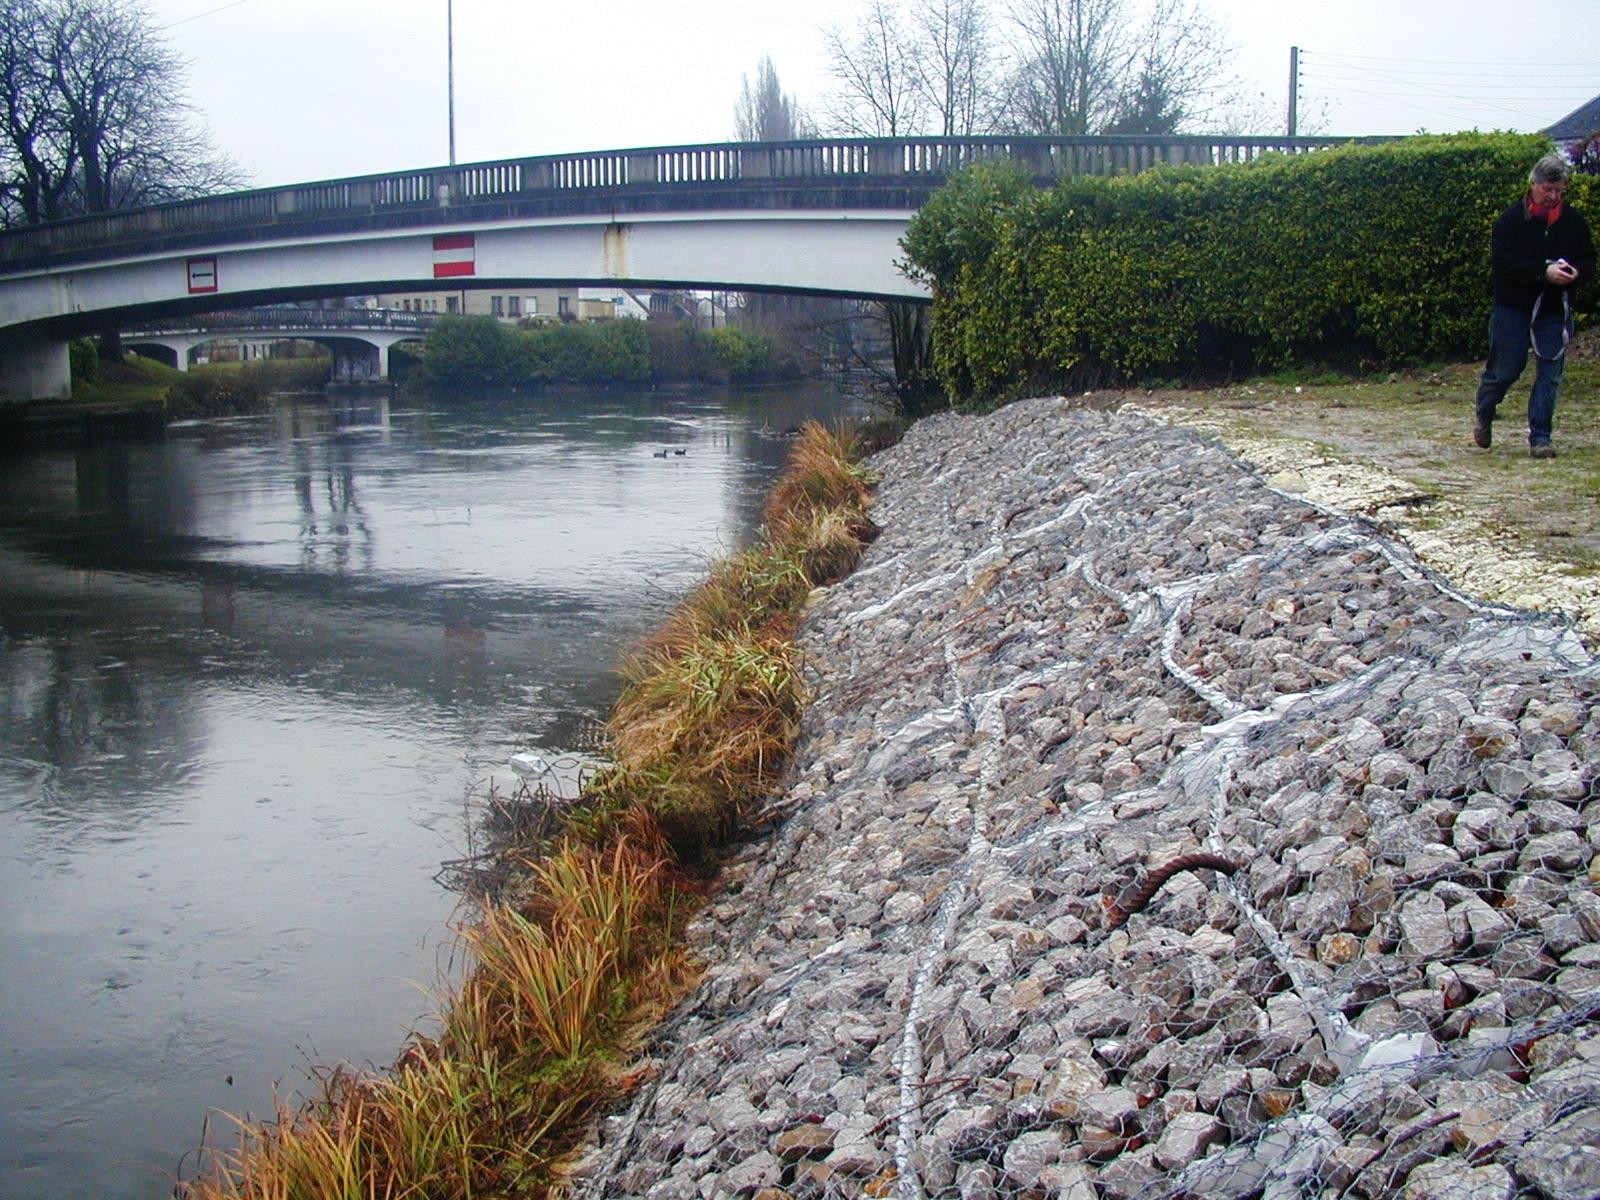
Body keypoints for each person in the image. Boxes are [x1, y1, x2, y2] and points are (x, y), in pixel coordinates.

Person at [1472, 153, 1594, 458]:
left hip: (1553, 308)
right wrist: (1543, 272)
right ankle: (1484, 411)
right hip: (1513, 306)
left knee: (1550, 373)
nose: (1553, 197)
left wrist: (1576, 272)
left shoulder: (1573, 221)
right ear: (1533, 185)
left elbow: (1589, 258)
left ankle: (1541, 437)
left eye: (1559, 191)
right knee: (1505, 371)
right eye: (1547, 190)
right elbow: (1503, 263)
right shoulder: (1510, 220)